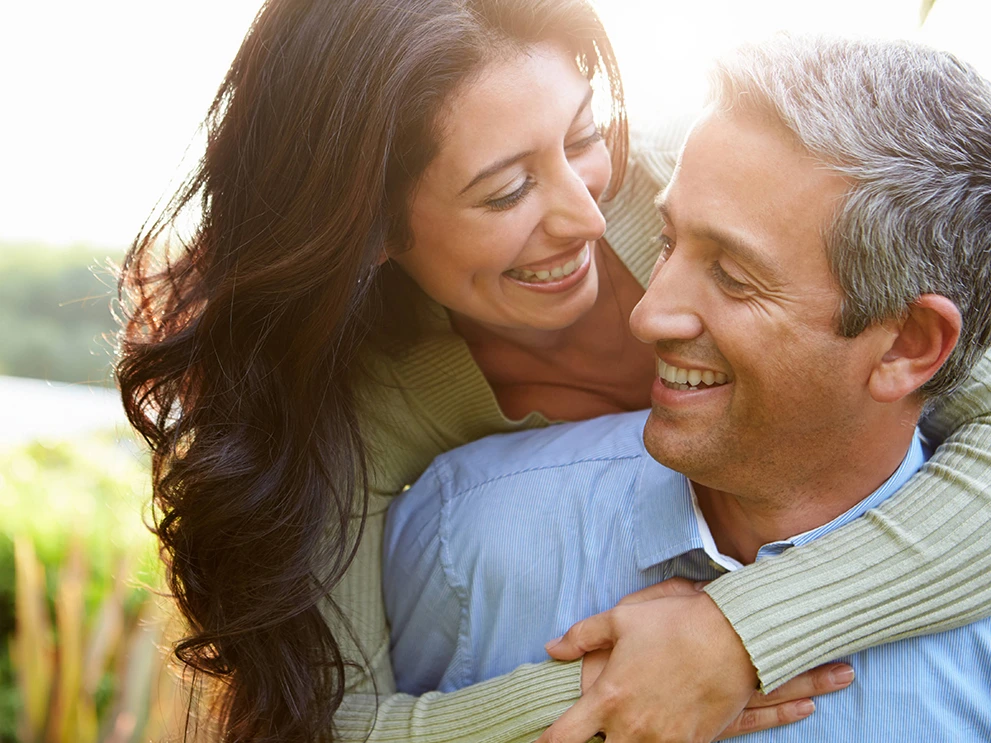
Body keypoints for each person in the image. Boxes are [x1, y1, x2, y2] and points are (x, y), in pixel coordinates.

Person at [114, 0, 991, 737]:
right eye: (504, 192)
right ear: (371, 226)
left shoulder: (716, 186)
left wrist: (740, 634)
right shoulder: (358, 407)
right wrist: (607, 695)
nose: (585, 213)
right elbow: (325, 720)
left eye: (581, 136)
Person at [385, 34, 991, 741]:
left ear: (906, 344)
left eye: (733, 276)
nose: (645, 313)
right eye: (666, 242)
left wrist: (745, 631)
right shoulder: (461, 535)